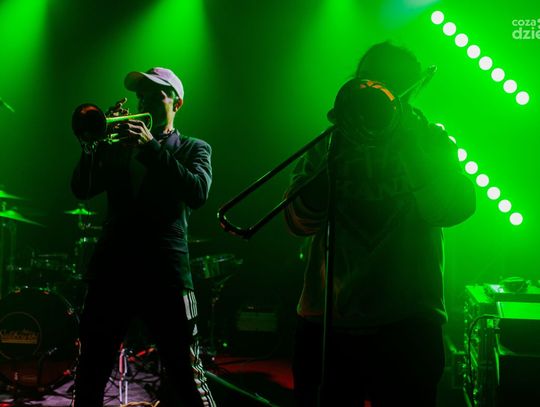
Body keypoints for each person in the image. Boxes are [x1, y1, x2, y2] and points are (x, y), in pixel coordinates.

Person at [284, 42, 476, 407]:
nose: (375, 89)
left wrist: (409, 145)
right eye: (367, 79)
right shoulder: (328, 143)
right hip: (327, 321)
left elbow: (449, 211)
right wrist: (333, 157)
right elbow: (297, 222)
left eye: (389, 81)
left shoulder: (432, 140)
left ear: (413, 88)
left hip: (408, 322)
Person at [71, 67, 216, 406]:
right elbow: (82, 189)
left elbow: (197, 192)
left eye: (156, 94)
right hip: (112, 270)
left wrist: (151, 147)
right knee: (90, 371)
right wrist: (92, 146)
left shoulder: (194, 148)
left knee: (186, 373)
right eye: (141, 95)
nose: (145, 101)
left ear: (177, 103)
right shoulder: (118, 148)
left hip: (165, 273)